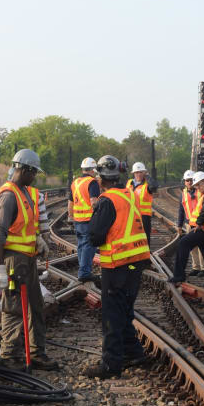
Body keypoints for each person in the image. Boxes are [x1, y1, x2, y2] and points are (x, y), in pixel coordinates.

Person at [0, 149, 57, 370]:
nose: (34, 176)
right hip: (12, 260)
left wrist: (37, 240)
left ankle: (36, 352)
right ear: (23, 169)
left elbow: (24, 227)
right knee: (14, 307)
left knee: (36, 305)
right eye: (33, 172)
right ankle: (9, 356)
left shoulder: (24, 192)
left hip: (26, 259)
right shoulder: (8, 195)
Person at [83, 155, 151, 379]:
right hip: (136, 261)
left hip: (119, 263)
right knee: (124, 310)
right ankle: (134, 352)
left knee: (112, 314)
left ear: (101, 179)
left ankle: (111, 364)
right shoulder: (128, 194)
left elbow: (94, 235)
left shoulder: (107, 200)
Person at [169, 171, 204, 292]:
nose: (197, 188)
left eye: (198, 185)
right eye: (196, 186)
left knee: (183, 243)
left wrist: (199, 224)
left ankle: (179, 276)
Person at [68, 157, 101, 283]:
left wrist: (71, 217)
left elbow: (70, 203)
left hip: (78, 220)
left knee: (81, 245)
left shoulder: (75, 182)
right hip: (89, 220)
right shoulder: (92, 182)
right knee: (88, 246)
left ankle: (83, 271)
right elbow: (94, 202)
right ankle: (84, 273)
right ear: (93, 169)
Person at [176, 170, 204, 276]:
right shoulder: (183, 194)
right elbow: (181, 210)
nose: (189, 182)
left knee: (201, 245)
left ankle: (203, 268)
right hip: (189, 223)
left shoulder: (200, 192)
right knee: (192, 247)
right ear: (184, 182)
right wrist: (179, 225)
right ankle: (195, 267)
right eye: (187, 180)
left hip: (199, 223)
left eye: (191, 180)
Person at [126, 162, 159, 246]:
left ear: (144, 173)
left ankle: (146, 254)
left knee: (144, 236)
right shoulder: (129, 183)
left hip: (144, 215)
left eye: (141, 172)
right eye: (137, 172)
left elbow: (154, 186)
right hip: (131, 214)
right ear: (133, 173)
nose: (139, 174)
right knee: (131, 236)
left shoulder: (147, 185)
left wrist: (147, 176)